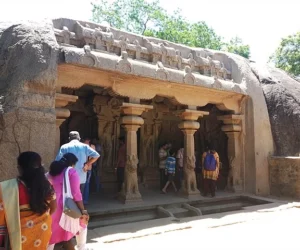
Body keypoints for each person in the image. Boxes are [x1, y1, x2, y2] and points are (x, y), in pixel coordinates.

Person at [0, 152, 56, 250]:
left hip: (19, 236)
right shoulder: (46, 185)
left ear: (19, 168)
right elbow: (54, 208)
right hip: (42, 231)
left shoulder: (8, 188)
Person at [47, 153, 89, 250]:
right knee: (82, 225)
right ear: (72, 163)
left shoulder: (52, 172)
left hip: (52, 206)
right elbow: (76, 194)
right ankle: (82, 248)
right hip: (66, 207)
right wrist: (83, 211)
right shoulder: (71, 172)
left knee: (51, 233)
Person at [55, 131, 100, 196]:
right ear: (79, 138)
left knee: (69, 197)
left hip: (68, 177)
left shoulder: (64, 147)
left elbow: (58, 161)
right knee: (79, 196)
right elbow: (97, 155)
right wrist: (87, 164)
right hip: (81, 176)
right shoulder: (85, 146)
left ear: (69, 138)